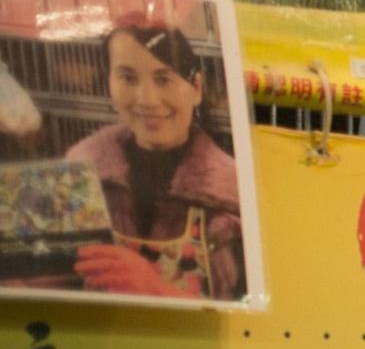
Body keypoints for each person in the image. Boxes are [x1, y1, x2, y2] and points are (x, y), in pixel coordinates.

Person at [66, 18, 244, 301]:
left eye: (164, 79)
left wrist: (154, 288)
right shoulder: (77, 177)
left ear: (195, 88)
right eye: (128, 78)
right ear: (109, 83)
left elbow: (249, 308)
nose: (147, 99)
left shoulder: (235, 195)